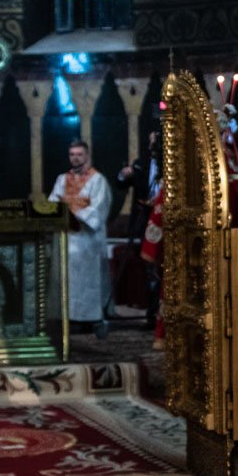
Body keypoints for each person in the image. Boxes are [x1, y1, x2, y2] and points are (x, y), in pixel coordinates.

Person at [49, 140, 113, 337]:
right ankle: (67, 318)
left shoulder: (98, 180)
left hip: (87, 241)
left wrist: (74, 212)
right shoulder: (62, 179)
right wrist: (61, 210)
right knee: (66, 280)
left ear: (87, 156)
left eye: (79, 154)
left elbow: (99, 208)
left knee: (88, 283)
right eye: (72, 154)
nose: (75, 158)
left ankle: (91, 319)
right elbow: (54, 201)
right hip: (66, 239)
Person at [116, 125, 163, 327]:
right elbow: (123, 183)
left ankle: (159, 314)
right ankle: (152, 314)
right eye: (151, 142)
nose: (152, 145)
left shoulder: (170, 163)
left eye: (156, 142)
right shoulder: (142, 163)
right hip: (144, 221)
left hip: (163, 219)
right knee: (148, 268)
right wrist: (123, 175)